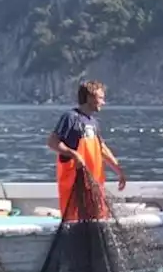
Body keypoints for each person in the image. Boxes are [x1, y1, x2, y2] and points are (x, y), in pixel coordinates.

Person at [45, 80, 127, 221]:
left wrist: (118, 169)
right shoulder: (70, 118)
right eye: (100, 98)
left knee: (98, 218)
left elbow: (101, 148)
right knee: (74, 219)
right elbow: (52, 142)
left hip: (94, 184)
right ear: (90, 97)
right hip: (74, 184)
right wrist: (73, 154)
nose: (103, 102)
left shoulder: (93, 122)